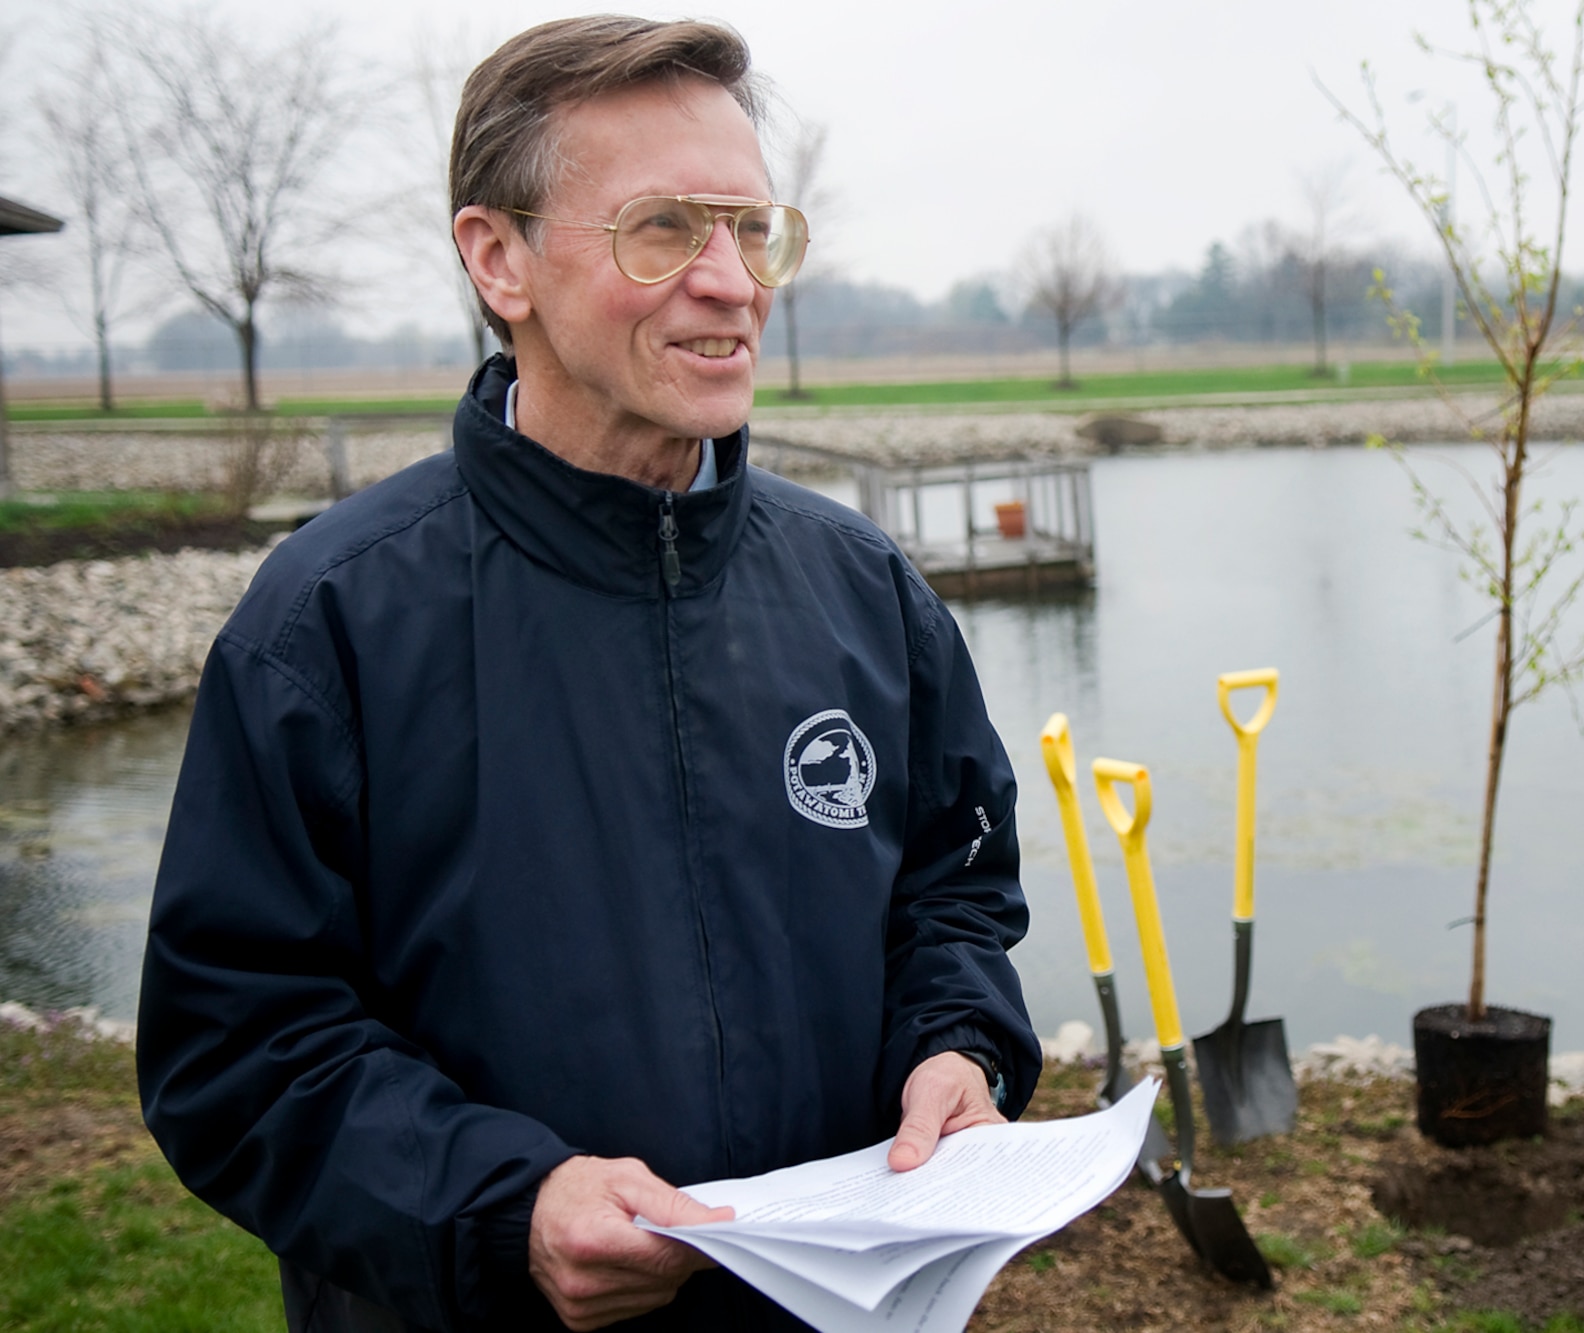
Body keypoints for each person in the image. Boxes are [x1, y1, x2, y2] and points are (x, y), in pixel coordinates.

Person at [136, 16, 1040, 1332]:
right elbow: (235, 1049)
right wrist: (506, 1206)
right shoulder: (331, 623)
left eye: (753, 228)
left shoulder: (864, 591)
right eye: (665, 228)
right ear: (497, 258)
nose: (732, 282)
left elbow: (954, 892)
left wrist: (957, 1043)